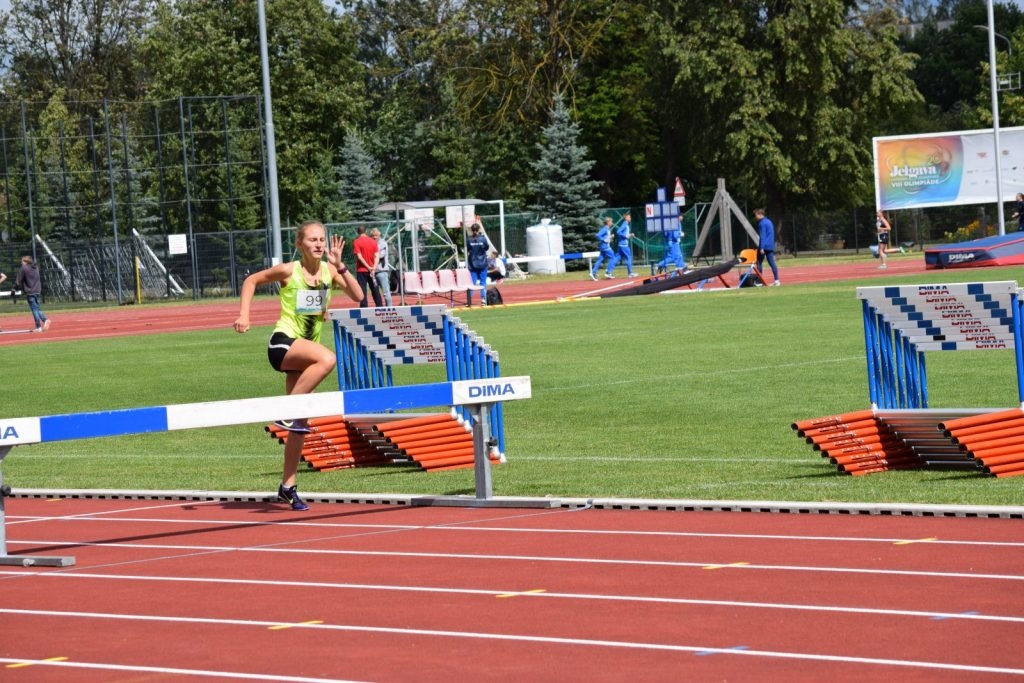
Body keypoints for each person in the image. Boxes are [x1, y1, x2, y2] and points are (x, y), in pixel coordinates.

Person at [233, 220, 363, 511]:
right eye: (312, 240)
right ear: (299, 244)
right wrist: (244, 315)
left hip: (304, 357)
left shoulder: (330, 272)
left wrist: (341, 266)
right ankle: (285, 410)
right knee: (328, 358)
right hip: (283, 344)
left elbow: (358, 295)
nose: (318, 244)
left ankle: (287, 486)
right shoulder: (289, 270)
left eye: (322, 239)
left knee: (300, 424)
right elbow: (251, 280)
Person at [15, 255, 50, 331]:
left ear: (26, 261)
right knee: (36, 308)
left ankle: (38, 326)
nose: (21, 263)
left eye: (22, 261)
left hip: (30, 291)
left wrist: (14, 288)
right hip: (37, 290)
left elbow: (18, 280)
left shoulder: (24, 268)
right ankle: (45, 320)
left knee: (34, 309)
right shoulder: (36, 268)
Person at [352, 225, 382, 308]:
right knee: (375, 289)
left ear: (358, 232)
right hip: (372, 271)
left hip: (361, 270)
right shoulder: (373, 241)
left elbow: (359, 256)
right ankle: (379, 307)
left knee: (362, 291)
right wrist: (373, 268)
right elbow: (377, 255)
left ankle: (364, 308)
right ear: (366, 231)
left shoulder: (356, 241)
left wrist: (368, 267)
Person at [466, 223, 490, 306]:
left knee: (472, 282)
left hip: (473, 263)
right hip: (482, 263)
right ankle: (483, 299)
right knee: (483, 282)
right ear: (479, 229)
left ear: (472, 230)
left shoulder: (469, 239)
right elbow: (486, 248)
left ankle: (469, 300)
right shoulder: (482, 239)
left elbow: (468, 249)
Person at [754, 208, 780, 286]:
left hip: (764, 246)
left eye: (756, 215)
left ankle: (759, 281)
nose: (755, 217)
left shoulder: (762, 223)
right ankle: (777, 280)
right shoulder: (769, 221)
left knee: (759, 262)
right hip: (770, 245)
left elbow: (763, 236)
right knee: (772, 263)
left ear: (760, 214)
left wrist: (761, 247)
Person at [607, 213, 636, 277]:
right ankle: (630, 273)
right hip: (624, 245)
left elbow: (624, 233)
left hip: (621, 245)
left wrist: (630, 234)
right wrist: (626, 236)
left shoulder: (626, 224)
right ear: (626, 218)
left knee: (617, 258)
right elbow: (618, 232)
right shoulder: (625, 224)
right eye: (629, 217)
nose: (630, 218)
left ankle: (608, 272)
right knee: (628, 257)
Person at [372, 228, 393, 307]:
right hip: (373, 272)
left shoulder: (382, 243)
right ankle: (379, 308)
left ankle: (390, 309)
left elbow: (380, 255)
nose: (374, 237)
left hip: (382, 272)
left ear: (379, 235)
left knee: (386, 292)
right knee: (376, 293)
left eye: (376, 235)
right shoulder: (372, 244)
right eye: (373, 236)